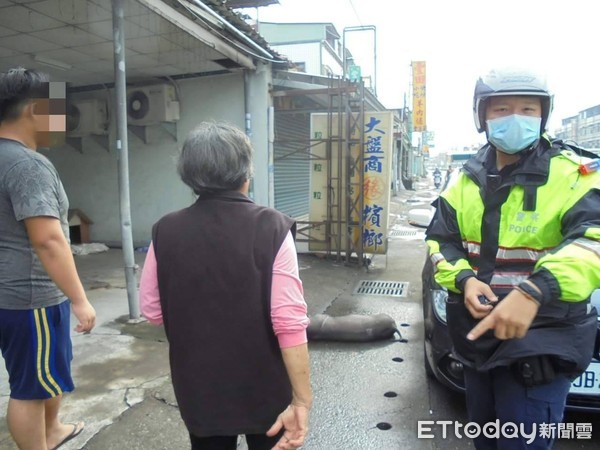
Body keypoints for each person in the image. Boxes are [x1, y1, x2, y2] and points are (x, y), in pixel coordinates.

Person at [425, 67, 600, 449]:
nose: (515, 118)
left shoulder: (575, 175)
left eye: (527, 109)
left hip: (540, 344)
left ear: (543, 116)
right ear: (482, 118)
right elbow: (441, 242)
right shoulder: (464, 179)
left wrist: (536, 290)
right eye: (501, 109)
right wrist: (465, 280)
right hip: (478, 342)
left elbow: (593, 242)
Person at [139, 122, 312, 450]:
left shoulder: (165, 231)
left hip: (200, 390)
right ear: (247, 172)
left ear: (189, 177)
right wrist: (302, 400)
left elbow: (151, 310)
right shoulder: (272, 227)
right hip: (265, 390)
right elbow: (288, 322)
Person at [0, 67, 96, 449]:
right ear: (34, 110)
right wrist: (79, 298)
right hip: (31, 296)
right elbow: (49, 240)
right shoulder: (28, 165)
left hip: (11, 294)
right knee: (29, 386)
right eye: (57, 110)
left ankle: (53, 430)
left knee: (46, 372)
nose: (63, 122)